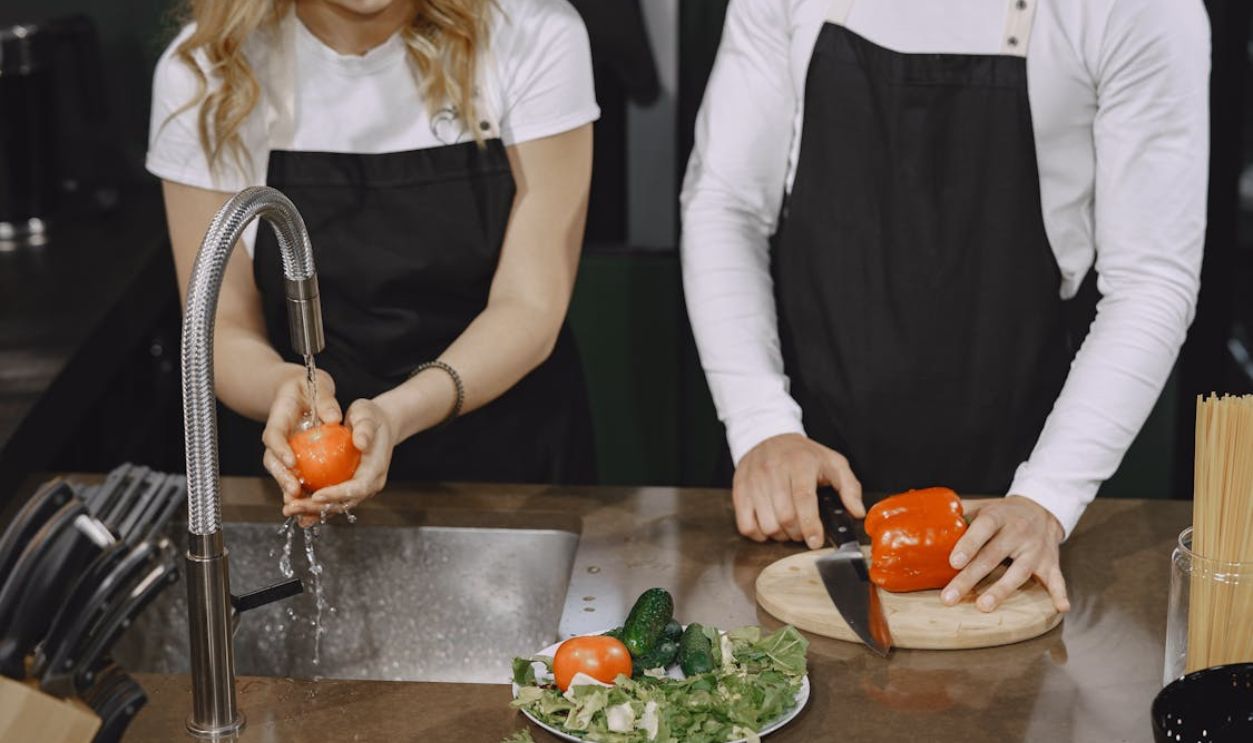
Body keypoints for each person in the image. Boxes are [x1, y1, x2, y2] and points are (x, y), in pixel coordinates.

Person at [681, 0, 1209, 612]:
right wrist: (760, 425)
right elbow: (724, 201)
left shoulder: (1142, 10)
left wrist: (1048, 496)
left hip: (1009, 490)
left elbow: (1151, 278)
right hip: (802, 475)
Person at [148, 0, 599, 524]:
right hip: (304, 473)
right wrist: (282, 390)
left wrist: (399, 411)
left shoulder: (531, 35)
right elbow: (220, 328)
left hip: (506, 463)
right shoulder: (205, 70)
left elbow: (530, 304)